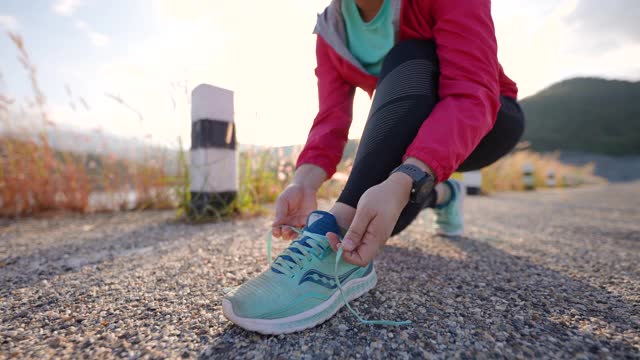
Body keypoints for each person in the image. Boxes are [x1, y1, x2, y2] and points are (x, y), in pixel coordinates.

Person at [222, 0, 524, 334]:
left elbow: (472, 92)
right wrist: (304, 183)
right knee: (374, 228)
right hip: (408, 129)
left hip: (489, 118)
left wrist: (409, 175)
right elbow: (331, 119)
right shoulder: (332, 30)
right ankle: (442, 194)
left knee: (408, 55)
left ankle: (337, 226)